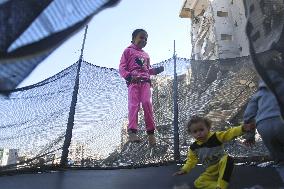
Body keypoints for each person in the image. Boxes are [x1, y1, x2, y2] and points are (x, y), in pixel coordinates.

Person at [173, 116, 255, 189]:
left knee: (227, 159)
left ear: (208, 128)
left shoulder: (216, 137)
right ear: (191, 134)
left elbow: (229, 133)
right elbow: (191, 161)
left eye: (201, 130)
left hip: (222, 167)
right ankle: (217, 186)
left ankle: (222, 185)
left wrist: (242, 128)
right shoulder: (193, 148)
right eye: (195, 132)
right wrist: (184, 169)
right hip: (211, 172)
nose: (199, 133)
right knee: (198, 183)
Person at [119, 29, 164, 146]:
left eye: (146, 39)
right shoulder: (127, 51)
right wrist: (129, 77)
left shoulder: (146, 55)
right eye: (141, 37)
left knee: (147, 103)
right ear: (134, 39)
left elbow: (147, 70)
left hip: (145, 83)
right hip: (133, 82)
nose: (143, 40)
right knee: (134, 105)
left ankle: (151, 134)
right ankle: (132, 132)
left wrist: (156, 70)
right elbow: (122, 68)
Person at [243, 80, 284, 165]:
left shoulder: (258, 94)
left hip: (263, 126)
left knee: (279, 159)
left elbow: (248, 115)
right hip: (280, 120)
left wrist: (250, 136)